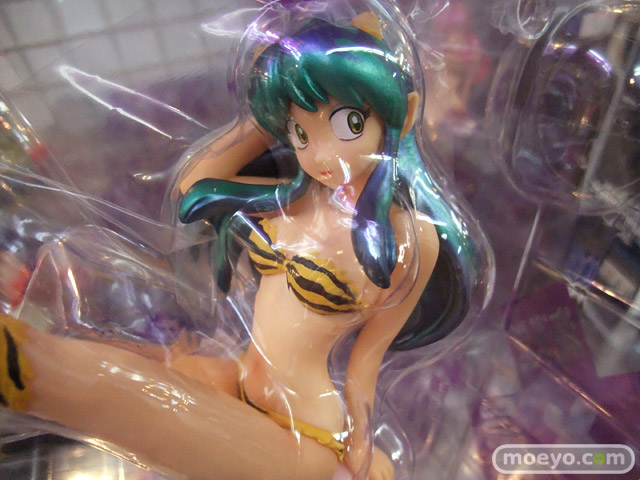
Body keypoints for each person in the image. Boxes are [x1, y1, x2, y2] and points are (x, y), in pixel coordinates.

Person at [0, 12, 479, 480]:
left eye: (349, 123)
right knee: (148, 372)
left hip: (306, 431)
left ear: (402, 115)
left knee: (128, 401)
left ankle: (26, 365)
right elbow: (194, 185)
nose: (322, 155)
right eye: (301, 134)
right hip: (240, 378)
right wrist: (268, 110)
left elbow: (366, 359)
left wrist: (361, 439)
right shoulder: (293, 200)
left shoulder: (411, 236)